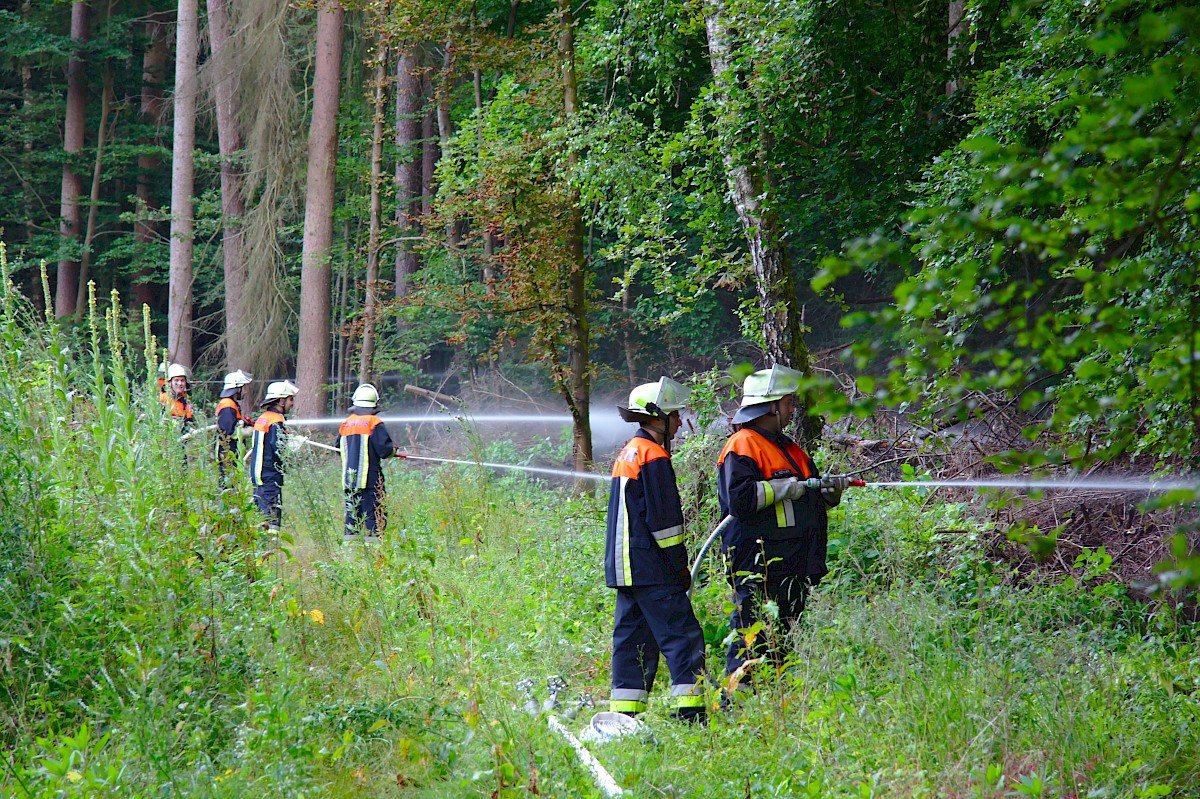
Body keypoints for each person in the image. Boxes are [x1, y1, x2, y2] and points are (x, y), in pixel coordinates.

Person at [716, 365, 849, 692]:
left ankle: (773, 704)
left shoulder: (790, 448)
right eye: (788, 402)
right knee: (751, 638)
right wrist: (785, 488)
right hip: (758, 567)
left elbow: (809, 495)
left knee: (781, 642)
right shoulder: (743, 445)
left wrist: (830, 493)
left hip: (793, 565)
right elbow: (741, 500)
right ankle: (738, 706)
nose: (793, 409)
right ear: (770, 406)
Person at [606, 377, 707, 724]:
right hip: (653, 568)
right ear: (658, 417)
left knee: (632, 642)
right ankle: (690, 715)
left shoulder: (629, 452)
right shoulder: (654, 455)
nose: (680, 422)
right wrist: (680, 568)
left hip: (626, 569)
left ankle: (625, 719)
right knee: (682, 636)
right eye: (675, 415)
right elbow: (664, 525)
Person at [337, 384, 397, 544]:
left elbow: (339, 448)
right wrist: (393, 450)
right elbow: (384, 450)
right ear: (374, 405)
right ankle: (375, 556)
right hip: (371, 483)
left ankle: (349, 554)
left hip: (350, 483)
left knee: (352, 520)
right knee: (374, 519)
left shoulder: (346, 424)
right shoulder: (374, 423)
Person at [249, 380, 298, 532]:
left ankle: (260, 549)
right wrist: (295, 445)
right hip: (270, 477)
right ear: (281, 401)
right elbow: (280, 449)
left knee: (260, 518)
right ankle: (271, 549)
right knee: (271, 520)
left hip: (258, 477)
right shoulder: (276, 421)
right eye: (290, 399)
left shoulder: (264, 418)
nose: (292, 403)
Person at [215, 370, 253, 483]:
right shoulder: (228, 405)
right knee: (229, 484)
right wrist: (247, 432)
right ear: (237, 388)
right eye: (244, 388)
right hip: (227, 453)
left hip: (231, 452)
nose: (245, 392)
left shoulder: (230, 404)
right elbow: (227, 432)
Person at [160, 363, 195, 430]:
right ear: (170, 383)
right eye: (176, 380)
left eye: (182, 380)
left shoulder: (185, 401)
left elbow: (190, 422)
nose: (180, 383)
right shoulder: (163, 399)